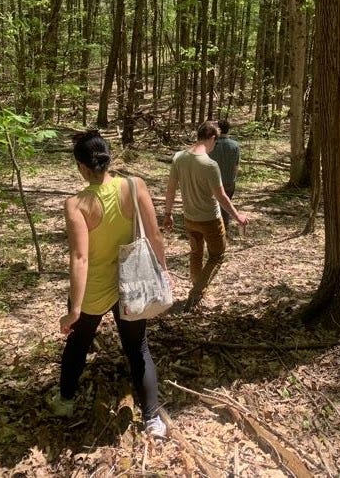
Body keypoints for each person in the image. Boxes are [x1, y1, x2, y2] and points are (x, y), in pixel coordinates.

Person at [50, 129, 167, 438]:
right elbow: (155, 236)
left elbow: (80, 258)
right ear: (108, 158)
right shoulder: (135, 185)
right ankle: (153, 421)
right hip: (134, 284)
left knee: (77, 345)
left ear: (82, 167)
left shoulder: (76, 204)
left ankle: (65, 402)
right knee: (138, 348)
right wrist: (163, 274)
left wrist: (74, 309)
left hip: (94, 289)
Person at [163, 121, 248, 311]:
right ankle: (196, 294)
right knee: (217, 256)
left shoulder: (179, 157)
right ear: (211, 138)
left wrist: (168, 214)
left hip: (190, 219)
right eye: (215, 142)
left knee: (196, 253)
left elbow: (170, 189)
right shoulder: (210, 165)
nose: (214, 146)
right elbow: (221, 196)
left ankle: (197, 287)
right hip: (210, 220)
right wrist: (237, 216)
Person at [208, 118, 241, 235]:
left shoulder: (211, 144)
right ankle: (224, 229)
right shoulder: (235, 145)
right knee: (226, 205)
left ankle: (213, 229)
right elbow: (236, 165)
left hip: (212, 181)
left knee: (212, 205)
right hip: (228, 181)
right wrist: (233, 178)